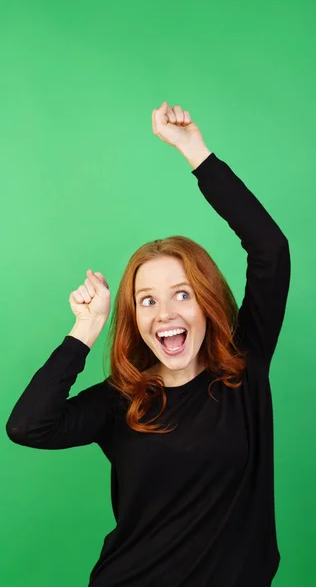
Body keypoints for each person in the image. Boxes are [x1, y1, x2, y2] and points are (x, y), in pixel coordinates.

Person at [6, 101, 291, 587]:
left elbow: (270, 249)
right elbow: (28, 427)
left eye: (183, 295)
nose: (166, 315)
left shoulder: (243, 368)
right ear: (135, 318)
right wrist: (84, 332)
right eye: (147, 300)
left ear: (206, 304)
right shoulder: (122, 400)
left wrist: (194, 151)